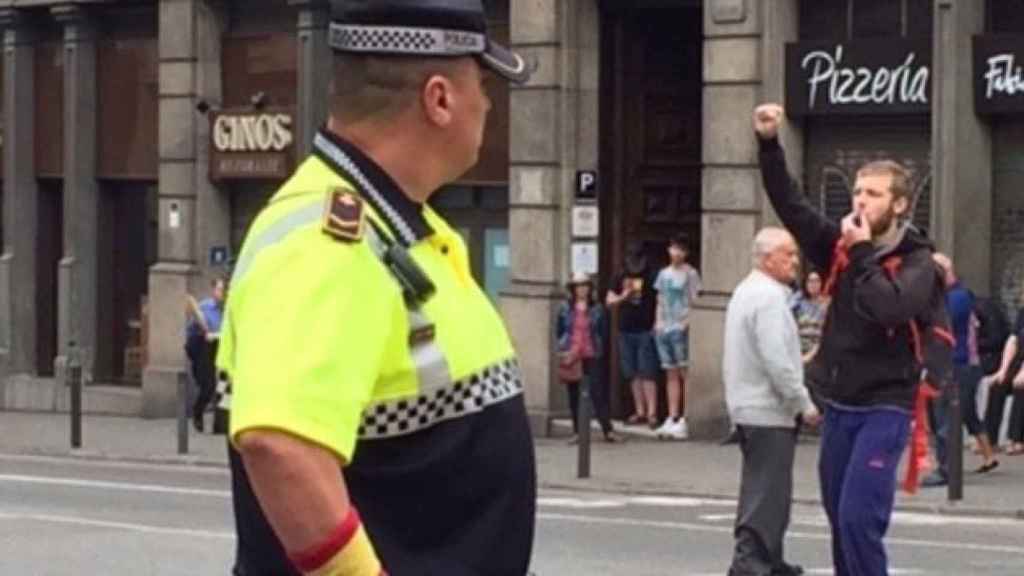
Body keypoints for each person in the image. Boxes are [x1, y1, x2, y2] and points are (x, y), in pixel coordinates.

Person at [216, 2, 536, 574]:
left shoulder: (398, 223)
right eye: (481, 84)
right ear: (439, 99)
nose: (488, 104)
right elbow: (279, 442)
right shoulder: (326, 241)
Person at [754, 103, 945, 576]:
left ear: (899, 205)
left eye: (874, 194)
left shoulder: (919, 262)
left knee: (860, 520)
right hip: (841, 401)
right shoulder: (838, 247)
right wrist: (769, 144)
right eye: (857, 191)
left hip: (887, 404)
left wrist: (860, 252)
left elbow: (890, 306)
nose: (860, 201)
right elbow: (792, 206)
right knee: (840, 519)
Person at [724, 227, 820, 576]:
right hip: (767, 409)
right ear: (767, 258)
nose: (795, 261)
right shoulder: (767, 299)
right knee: (767, 491)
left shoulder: (748, 292)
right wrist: (802, 403)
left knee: (768, 488)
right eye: (788, 254)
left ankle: (770, 559)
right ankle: (752, 562)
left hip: (750, 405)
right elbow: (776, 359)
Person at [922, 254, 999, 488]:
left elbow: (941, 325)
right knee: (947, 416)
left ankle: (947, 470)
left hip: (958, 365)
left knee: (948, 419)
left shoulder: (958, 297)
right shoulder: (948, 297)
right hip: (947, 365)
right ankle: (949, 465)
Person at [557, 273, 619, 443]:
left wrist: (600, 349)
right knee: (574, 394)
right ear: (573, 289)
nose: (582, 289)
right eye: (578, 286)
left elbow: (602, 332)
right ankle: (577, 432)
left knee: (597, 391)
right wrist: (563, 349)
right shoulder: (565, 308)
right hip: (572, 354)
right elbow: (560, 330)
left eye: (585, 286)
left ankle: (607, 429)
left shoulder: (597, 308)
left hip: (592, 353)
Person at [606, 242, 660, 428]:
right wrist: (624, 296)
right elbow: (610, 300)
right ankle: (640, 411)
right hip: (625, 328)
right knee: (632, 373)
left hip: (646, 328)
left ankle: (652, 412)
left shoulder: (652, 274)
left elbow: (660, 299)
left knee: (648, 372)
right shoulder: (620, 275)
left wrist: (656, 323)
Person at [653, 235, 701, 440]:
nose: (676, 253)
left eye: (681, 249)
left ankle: (686, 415)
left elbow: (694, 299)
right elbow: (660, 299)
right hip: (665, 325)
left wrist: (687, 322)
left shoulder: (690, 274)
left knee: (684, 371)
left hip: (681, 324)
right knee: (670, 372)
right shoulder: (663, 274)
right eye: (674, 248)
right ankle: (672, 416)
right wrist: (658, 322)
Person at [185, 277, 226, 433]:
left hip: (220, 348)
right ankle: (198, 412)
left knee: (221, 387)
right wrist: (202, 332)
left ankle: (219, 424)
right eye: (220, 289)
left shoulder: (227, 310)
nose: (222, 293)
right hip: (203, 349)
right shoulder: (204, 307)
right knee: (207, 387)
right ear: (213, 290)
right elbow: (192, 330)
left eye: (224, 290)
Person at [989, 302, 1024, 455]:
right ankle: (991, 439)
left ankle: (1016, 439)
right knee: (998, 384)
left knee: (1020, 386)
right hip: (1020, 360)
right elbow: (1013, 340)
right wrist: (1002, 370)